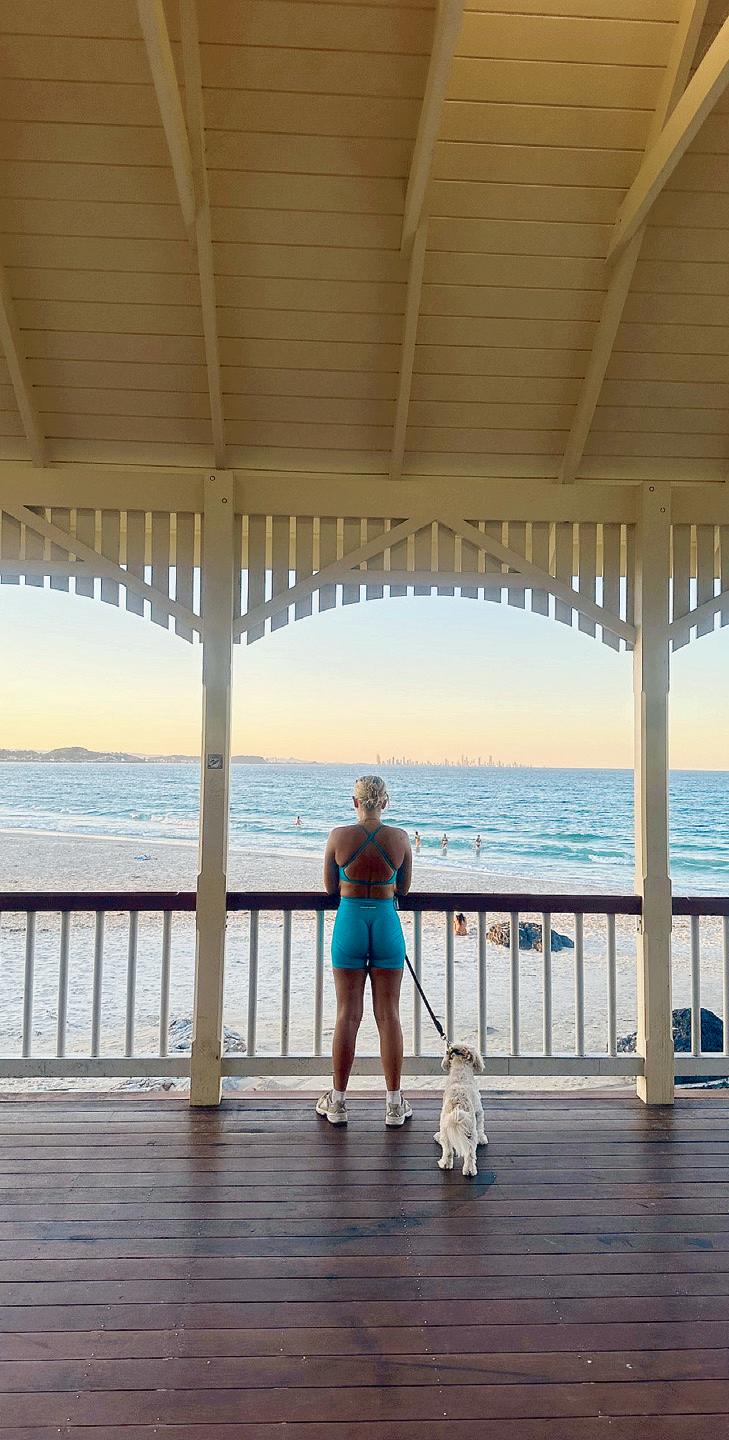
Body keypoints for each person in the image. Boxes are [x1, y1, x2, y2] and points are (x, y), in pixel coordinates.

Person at [317, 775, 412, 1128]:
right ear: (384, 803)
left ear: (355, 802)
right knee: (389, 1015)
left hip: (350, 922)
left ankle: (338, 1102)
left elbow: (330, 888)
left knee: (347, 1015)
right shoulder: (400, 838)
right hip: (385, 923)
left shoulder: (338, 836)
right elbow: (404, 887)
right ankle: (394, 1105)